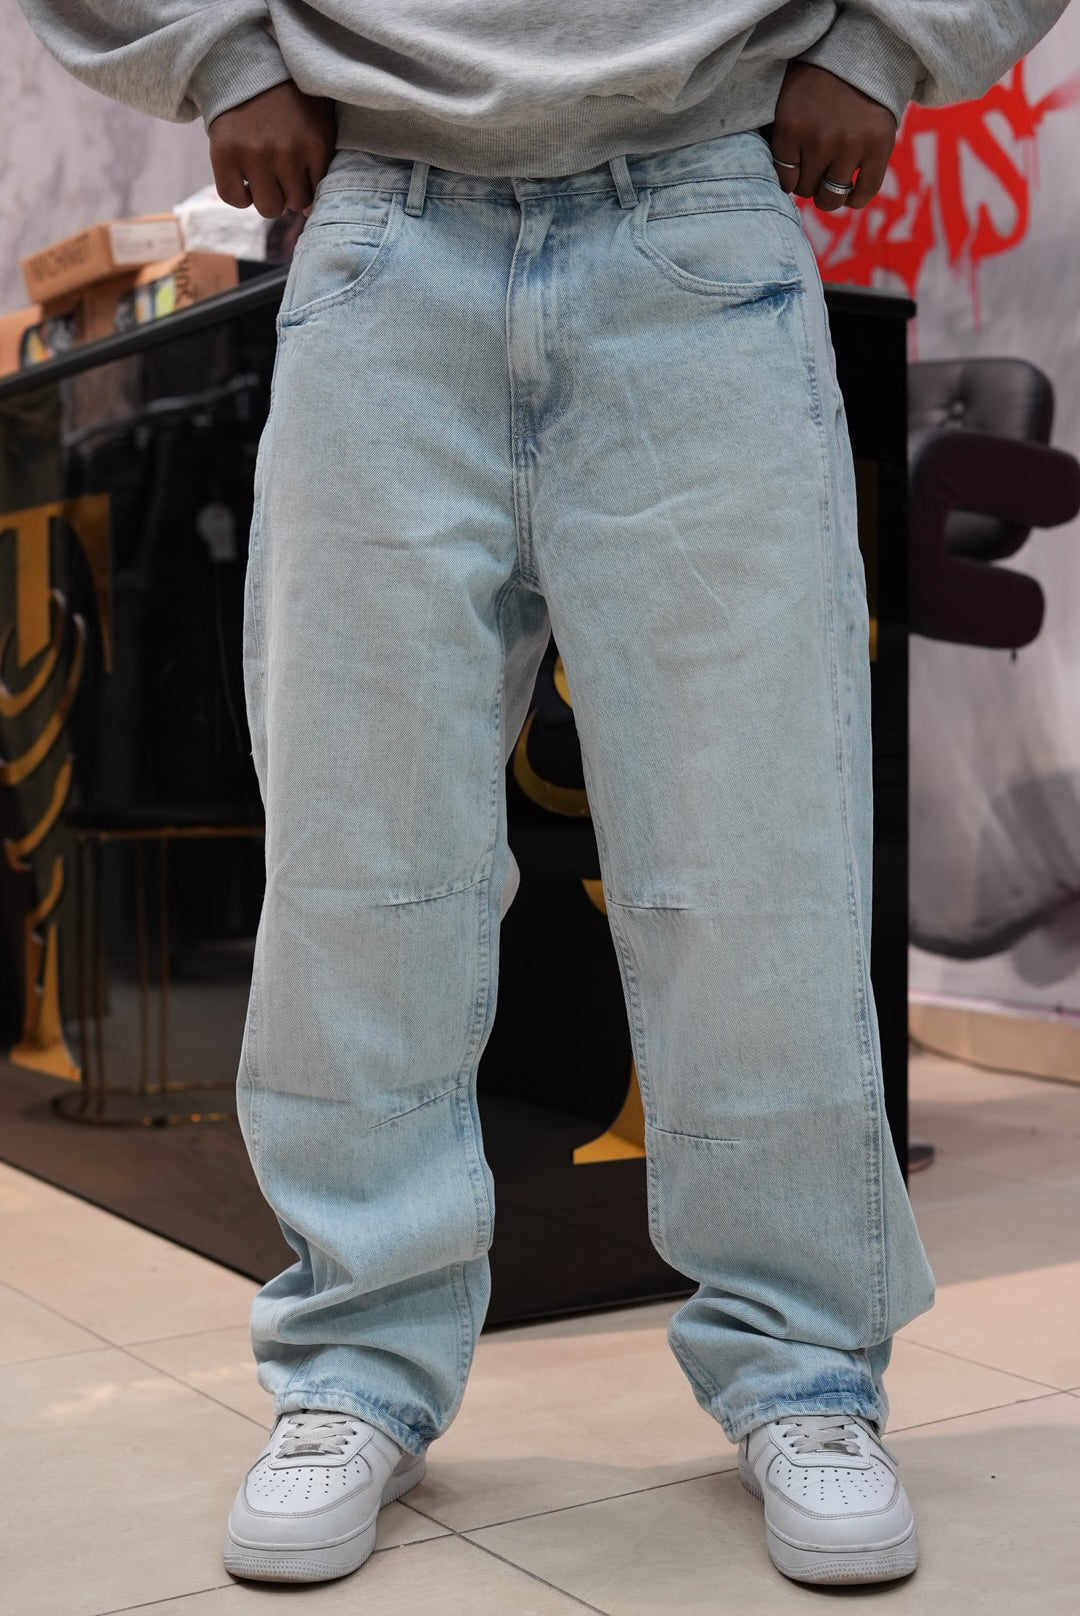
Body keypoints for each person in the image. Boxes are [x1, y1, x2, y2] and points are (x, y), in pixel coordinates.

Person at [19, 0, 1068, 1591]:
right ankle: (353, 1370)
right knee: (360, 859)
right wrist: (221, 52)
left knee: (754, 853)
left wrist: (890, 41)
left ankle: (805, 1373)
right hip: (383, 226)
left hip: (699, 210)